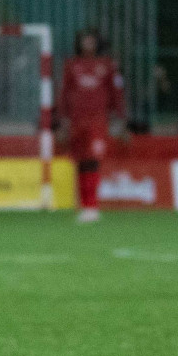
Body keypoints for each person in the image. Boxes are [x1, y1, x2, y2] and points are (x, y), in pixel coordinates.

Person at [58, 29, 126, 223]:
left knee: (93, 159)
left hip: (97, 121)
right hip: (76, 121)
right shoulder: (72, 65)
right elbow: (64, 93)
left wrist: (120, 119)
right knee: (81, 162)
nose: (88, 44)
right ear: (79, 43)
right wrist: (62, 120)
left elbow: (116, 93)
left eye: (91, 40)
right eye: (84, 40)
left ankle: (93, 205)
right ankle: (85, 205)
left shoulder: (107, 65)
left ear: (97, 43)